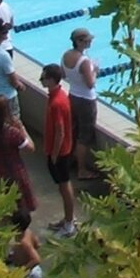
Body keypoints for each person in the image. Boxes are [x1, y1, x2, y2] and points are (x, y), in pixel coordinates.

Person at [0, 95, 36, 214]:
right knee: (21, 208)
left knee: (1, 208)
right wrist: (22, 128)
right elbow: (31, 148)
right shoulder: (12, 133)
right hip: (15, 173)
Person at [41, 64, 80, 235]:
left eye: (43, 78)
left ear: (51, 80)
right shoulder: (58, 95)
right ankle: (68, 218)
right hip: (60, 150)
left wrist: (54, 155)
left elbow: (60, 131)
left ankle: (69, 224)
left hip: (60, 152)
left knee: (64, 186)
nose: (40, 80)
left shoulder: (57, 102)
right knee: (62, 186)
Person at [62, 27, 103, 179]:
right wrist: (95, 71)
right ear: (79, 41)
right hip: (86, 101)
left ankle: (69, 161)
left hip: (72, 95)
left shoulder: (66, 55)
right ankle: (82, 170)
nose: (90, 42)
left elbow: (63, 75)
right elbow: (90, 84)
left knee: (73, 130)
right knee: (84, 136)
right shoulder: (84, 61)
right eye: (88, 40)